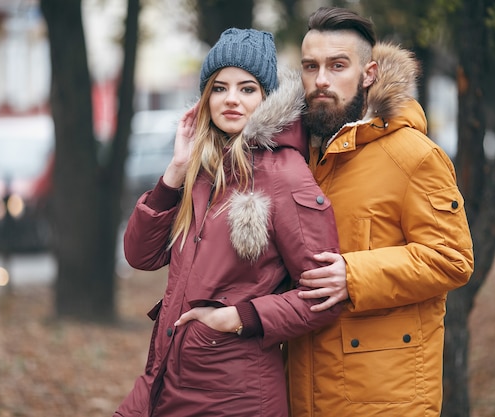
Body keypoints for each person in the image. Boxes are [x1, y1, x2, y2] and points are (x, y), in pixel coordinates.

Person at [113, 28, 342, 417]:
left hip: (235, 395)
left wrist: (238, 317)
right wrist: (174, 173)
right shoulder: (201, 170)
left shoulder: (285, 174)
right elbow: (140, 255)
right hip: (165, 379)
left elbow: (323, 297)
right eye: (219, 88)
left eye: (247, 89)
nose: (231, 99)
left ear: (268, 98)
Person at [286, 7, 475, 417]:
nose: (321, 80)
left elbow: (453, 259)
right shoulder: (299, 159)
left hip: (387, 400)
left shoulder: (414, 156)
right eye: (310, 66)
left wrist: (352, 277)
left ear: (369, 73)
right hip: (306, 394)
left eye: (338, 66)